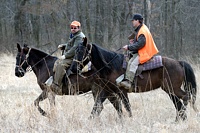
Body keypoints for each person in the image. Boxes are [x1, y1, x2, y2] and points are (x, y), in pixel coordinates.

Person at [118, 14, 159, 90]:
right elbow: (139, 42)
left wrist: (129, 47)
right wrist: (133, 41)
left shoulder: (142, 31)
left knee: (133, 63)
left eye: (133, 20)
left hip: (145, 53)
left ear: (138, 21)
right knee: (129, 61)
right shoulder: (141, 29)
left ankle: (129, 82)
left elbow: (140, 44)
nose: (132, 22)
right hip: (143, 51)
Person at [50, 20, 85, 94]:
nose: (73, 29)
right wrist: (64, 46)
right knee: (56, 63)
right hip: (71, 56)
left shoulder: (79, 36)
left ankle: (56, 85)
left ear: (79, 28)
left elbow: (74, 49)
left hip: (75, 57)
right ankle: (54, 79)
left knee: (61, 65)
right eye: (72, 27)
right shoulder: (74, 35)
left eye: (75, 28)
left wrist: (65, 56)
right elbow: (71, 45)